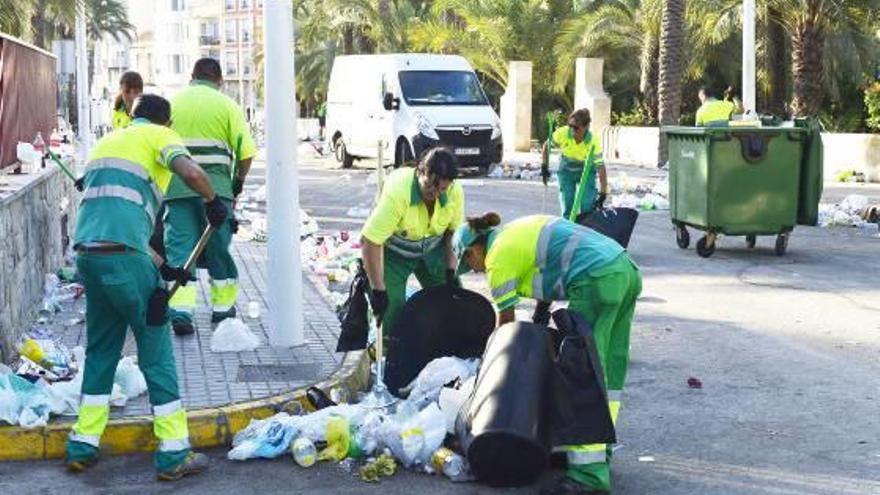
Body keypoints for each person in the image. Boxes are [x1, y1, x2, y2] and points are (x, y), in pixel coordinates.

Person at [65, 94, 228, 480]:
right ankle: (173, 452)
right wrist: (212, 200)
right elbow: (190, 172)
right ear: (166, 122)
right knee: (155, 350)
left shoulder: (109, 142)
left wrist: (165, 267)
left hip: (89, 256)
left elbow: (120, 226)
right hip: (125, 258)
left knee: (102, 350)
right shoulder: (159, 136)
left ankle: (83, 444)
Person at [453, 212, 641, 495]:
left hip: (595, 280)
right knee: (607, 370)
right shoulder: (515, 230)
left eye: (469, 263)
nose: (475, 270)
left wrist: (490, 362)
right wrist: (542, 311)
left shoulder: (497, 258)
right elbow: (551, 263)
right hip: (624, 270)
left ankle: (588, 475)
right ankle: (600, 453)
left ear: (474, 249)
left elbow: (505, 324)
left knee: (581, 373)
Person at [164, 58, 257, 335]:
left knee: (180, 248)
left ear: (192, 76)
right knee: (218, 248)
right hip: (217, 190)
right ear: (219, 81)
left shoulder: (174, 103)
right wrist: (237, 183)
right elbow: (246, 153)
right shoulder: (228, 106)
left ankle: (181, 311)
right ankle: (222, 310)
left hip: (178, 187)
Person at [361, 147, 465, 340]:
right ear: (420, 171)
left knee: (452, 299)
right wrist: (378, 289)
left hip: (433, 249)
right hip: (394, 253)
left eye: (441, 188)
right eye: (429, 186)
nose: (435, 193)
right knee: (390, 306)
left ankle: (444, 345)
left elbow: (452, 233)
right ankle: (388, 352)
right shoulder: (399, 192)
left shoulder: (453, 191)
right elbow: (370, 241)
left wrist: (450, 272)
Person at [541, 109, 608, 221]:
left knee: (587, 205)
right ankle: (568, 229)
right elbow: (546, 146)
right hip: (566, 171)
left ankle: (586, 228)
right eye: (570, 126)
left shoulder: (593, 141)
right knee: (567, 205)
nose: (572, 130)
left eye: (576, 128)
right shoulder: (563, 133)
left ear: (586, 127)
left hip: (586, 170)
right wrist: (544, 166)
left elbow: (601, 168)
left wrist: (603, 193)